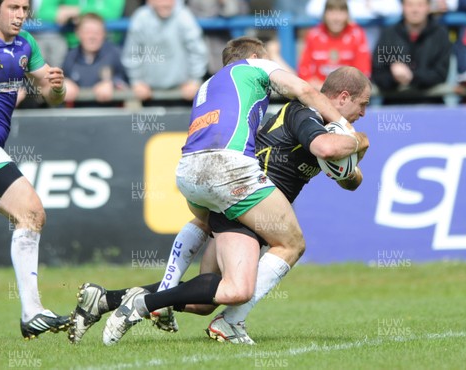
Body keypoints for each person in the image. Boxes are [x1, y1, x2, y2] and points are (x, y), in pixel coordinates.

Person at [68, 66, 370, 345]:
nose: (364, 113)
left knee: (205, 297)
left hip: (244, 204)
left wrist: (352, 155)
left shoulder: (329, 128)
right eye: (362, 105)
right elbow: (326, 149)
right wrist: (357, 141)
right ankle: (228, 321)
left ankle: (107, 299)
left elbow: (350, 179)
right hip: (247, 201)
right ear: (343, 98)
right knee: (290, 247)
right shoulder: (307, 114)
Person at [0, 0, 69, 339]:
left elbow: (50, 94)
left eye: (25, 8)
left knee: (31, 216)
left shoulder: (25, 44)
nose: (20, 15)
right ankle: (32, 312)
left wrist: (57, 87)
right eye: (13, 7)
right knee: (30, 211)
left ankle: (32, 312)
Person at [121, 0, 208, 104]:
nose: (164, 3)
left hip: (182, 93)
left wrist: (194, 80)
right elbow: (132, 53)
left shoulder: (184, 17)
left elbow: (197, 51)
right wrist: (137, 82)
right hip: (148, 93)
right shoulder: (141, 18)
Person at [371, 0, 451, 105]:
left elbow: (441, 74)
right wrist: (394, 78)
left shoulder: (440, 35)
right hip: (395, 106)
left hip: (430, 104)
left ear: (428, 7)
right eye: (410, 5)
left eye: (420, 5)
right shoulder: (388, 35)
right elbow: (378, 73)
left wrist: (412, 76)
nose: (415, 10)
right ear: (402, 7)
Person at [299, 0, 371, 91]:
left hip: (348, 95)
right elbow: (304, 73)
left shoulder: (357, 35)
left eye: (341, 12)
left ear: (348, 15)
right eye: (331, 12)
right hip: (318, 94)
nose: (336, 18)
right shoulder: (314, 35)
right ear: (324, 15)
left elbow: (363, 74)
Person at [62, 13, 128, 107]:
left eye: (97, 32)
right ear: (78, 33)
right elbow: (56, 84)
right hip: (79, 116)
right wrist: (63, 85)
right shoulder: (70, 57)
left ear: (104, 33)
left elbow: (127, 82)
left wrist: (113, 84)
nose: (92, 36)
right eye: (87, 32)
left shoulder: (114, 54)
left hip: (109, 114)